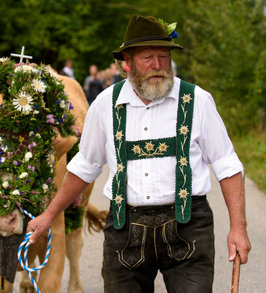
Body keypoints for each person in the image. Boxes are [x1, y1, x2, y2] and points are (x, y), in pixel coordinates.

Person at [27, 14, 251, 292]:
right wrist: (48, 215)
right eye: (148, 57)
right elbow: (85, 166)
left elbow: (227, 165)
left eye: (163, 56)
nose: (157, 65)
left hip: (189, 229)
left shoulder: (197, 101)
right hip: (125, 229)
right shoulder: (105, 105)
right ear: (127, 61)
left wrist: (238, 229)